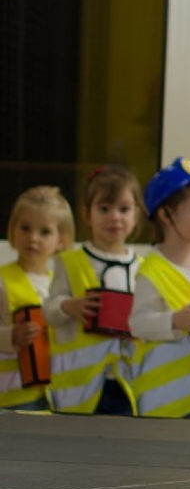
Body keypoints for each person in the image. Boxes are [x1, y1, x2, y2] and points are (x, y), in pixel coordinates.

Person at [128, 157, 190, 419]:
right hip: (164, 399)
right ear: (165, 214)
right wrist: (175, 320)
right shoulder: (151, 269)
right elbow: (137, 323)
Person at [44, 164, 143, 415]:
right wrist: (68, 305)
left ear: (136, 215)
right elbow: (49, 310)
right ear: (87, 214)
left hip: (127, 379)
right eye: (104, 209)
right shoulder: (69, 262)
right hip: (80, 382)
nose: (115, 217)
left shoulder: (143, 268)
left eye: (123, 209)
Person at [0, 186, 74, 411]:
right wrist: (10, 335)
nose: (33, 238)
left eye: (44, 232)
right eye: (25, 228)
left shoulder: (62, 286)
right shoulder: (2, 280)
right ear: (12, 230)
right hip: (9, 396)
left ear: (61, 240)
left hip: (54, 396)